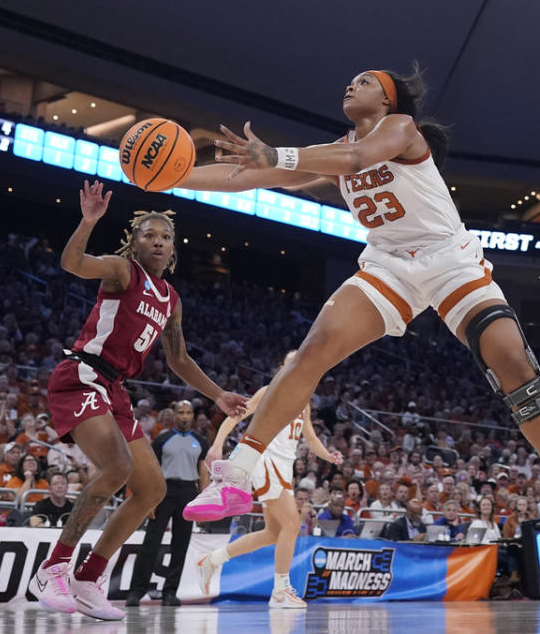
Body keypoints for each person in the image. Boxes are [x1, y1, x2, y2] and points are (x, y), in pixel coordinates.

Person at [179, 66, 540, 548]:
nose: (349, 85)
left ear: (387, 100)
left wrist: (278, 151)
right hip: (388, 266)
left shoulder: (403, 129)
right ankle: (236, 476)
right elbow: (247, 177)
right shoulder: (334, 149)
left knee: (510, 358)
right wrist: (175, 177)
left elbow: (360, 155)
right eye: (349, 81)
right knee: (311, 351)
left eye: (364, 82)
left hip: (449, 260)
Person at [27, 181, 246, 620]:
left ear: (173, 248)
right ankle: (52, 567)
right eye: (149, 234)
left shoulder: (171, 300)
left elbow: (179, 358)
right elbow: (72, 263)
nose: (158, 241)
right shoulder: (123, 271)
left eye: (165, 236)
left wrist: (218, 394)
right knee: (119, 468)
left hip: (115, 390)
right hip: (82, 376)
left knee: (152, 489)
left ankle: (89, 577)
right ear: (135, 242)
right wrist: (89, 221)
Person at [196, 356, 343, 609]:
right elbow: (236, 416)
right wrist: (218, 443)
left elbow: (310, 437)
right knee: (292, 524)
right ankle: (280, 590)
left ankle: (212, 560)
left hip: (285, 468)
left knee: (273, 533)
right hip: (265, 461)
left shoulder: (303, 401)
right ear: (282, 368)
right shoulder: (269, 391)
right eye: (291, 363)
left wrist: (328, 455)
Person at [127, 400, 210, 607]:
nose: (184, 416)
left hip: (188, 492)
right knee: (150, 543)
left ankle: (170, 592)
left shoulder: (201, 440)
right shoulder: (162, 439)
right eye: (180, 412)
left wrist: (204, 499)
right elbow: (152, 470)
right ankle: (136, 591)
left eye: (188, 412)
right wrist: (150, 499)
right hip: (163, 491)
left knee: (180, 545)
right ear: (173, 415)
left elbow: (202, 471)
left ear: (192, 415)